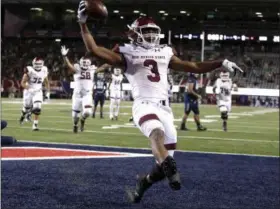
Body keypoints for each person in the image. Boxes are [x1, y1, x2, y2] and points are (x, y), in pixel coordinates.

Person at [77, 2, 243, 202]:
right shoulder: (127, 52)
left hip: (165, 108)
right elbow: (94, 50)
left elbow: (195, 66)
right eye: (145, 31)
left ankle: (144, 182)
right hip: (144, 104)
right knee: (157, 135)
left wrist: (220, 62)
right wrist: (83, 23)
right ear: (134, 33)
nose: (150, 35)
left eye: (152, 31)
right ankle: (170, 167)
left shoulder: (165, 52)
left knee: (162, 164)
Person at [61, 45, 97, 133]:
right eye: (83, 63)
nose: (85, 65)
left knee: (88, 112)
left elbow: (104, 67)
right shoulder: (77, 69)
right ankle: (75, 124)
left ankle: (83, 120)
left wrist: (113, 59)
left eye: (86, 63)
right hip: (77, 95)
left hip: (87, 94)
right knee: (75, 116)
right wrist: (64, 56)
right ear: (80, 63)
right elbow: (68, 65)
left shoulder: (92, 70)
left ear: (89, 63)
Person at [19, 58, 50, 131]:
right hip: (28, 91)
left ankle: (35, 125)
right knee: (26, 107)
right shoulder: (29, 70)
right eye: (36, 64)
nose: (38, 65)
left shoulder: (44, 70)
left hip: (38, 91)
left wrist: (48, 92)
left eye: (39, 64)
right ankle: (23, 115)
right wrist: (29, 88)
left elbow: (46, 82)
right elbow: (22, 83)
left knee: (37, 108)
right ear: (33, 64)